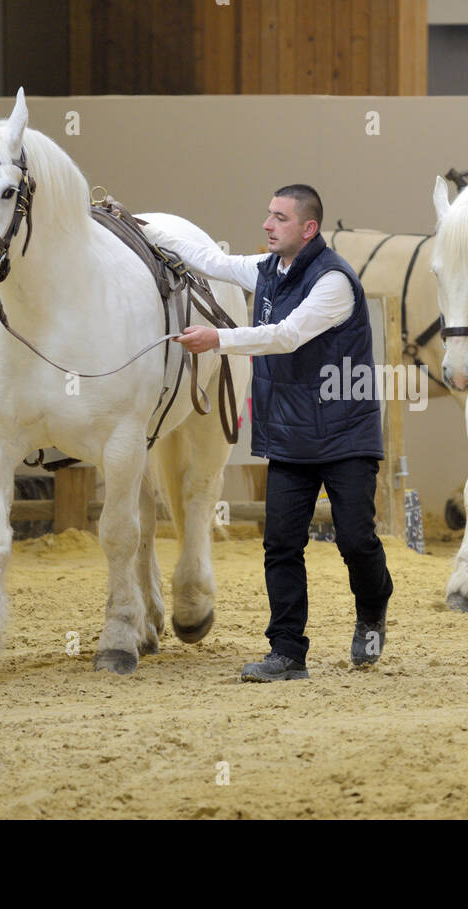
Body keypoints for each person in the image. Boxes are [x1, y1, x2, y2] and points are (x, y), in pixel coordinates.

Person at [157, 184, 394, 681]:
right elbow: (208, 259)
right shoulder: (266, 270)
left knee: (355, 541)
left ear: (308, 229)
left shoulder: (334, 281)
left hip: (345, 435)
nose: (267, 224)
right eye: (268, 215)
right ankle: (287, 652)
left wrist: (217, 339)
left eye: (280, 218)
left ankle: (372, 610)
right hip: (291, 436)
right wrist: (137, 225)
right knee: (281, 545)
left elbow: (285, 335)